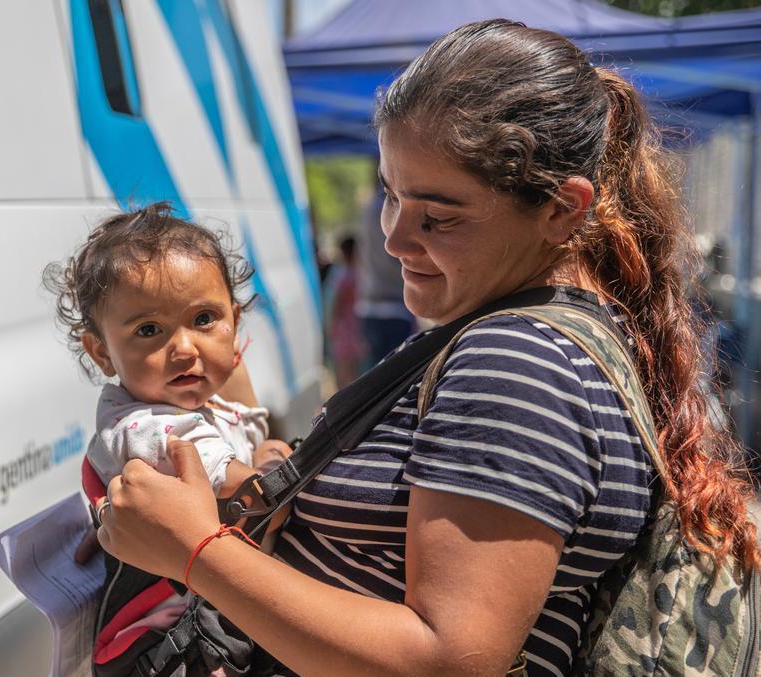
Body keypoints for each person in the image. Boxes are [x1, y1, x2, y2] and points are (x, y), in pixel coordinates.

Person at [92, 19, 760, 676]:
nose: (394, 239)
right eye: (390, 194)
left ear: (562, 208)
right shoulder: (520, 329)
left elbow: (447, 656)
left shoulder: (515, 363)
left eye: (438, 216)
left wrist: (194, 549)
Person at [44, 203, 292, 639]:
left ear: (233, 322)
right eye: (148, 330)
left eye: (203, 320)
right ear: (101, 352)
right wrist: (274, 456)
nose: (184, 349)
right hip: (186, 640)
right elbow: (261, 503)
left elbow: (247, 432)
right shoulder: (145, 429)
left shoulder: (201, 403)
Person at [355, 169, 415, 368]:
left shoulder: (370, 208)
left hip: (370, 306)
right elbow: (395, 258)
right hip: (394, 307)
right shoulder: (389, 208)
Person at [322, 236, 365, 386]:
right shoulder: (360, 273)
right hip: (357, 329)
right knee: (355, 373)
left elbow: (336, 306)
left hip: (344, 332)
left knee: (344, 374)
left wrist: (330, 327)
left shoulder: (342, 275)